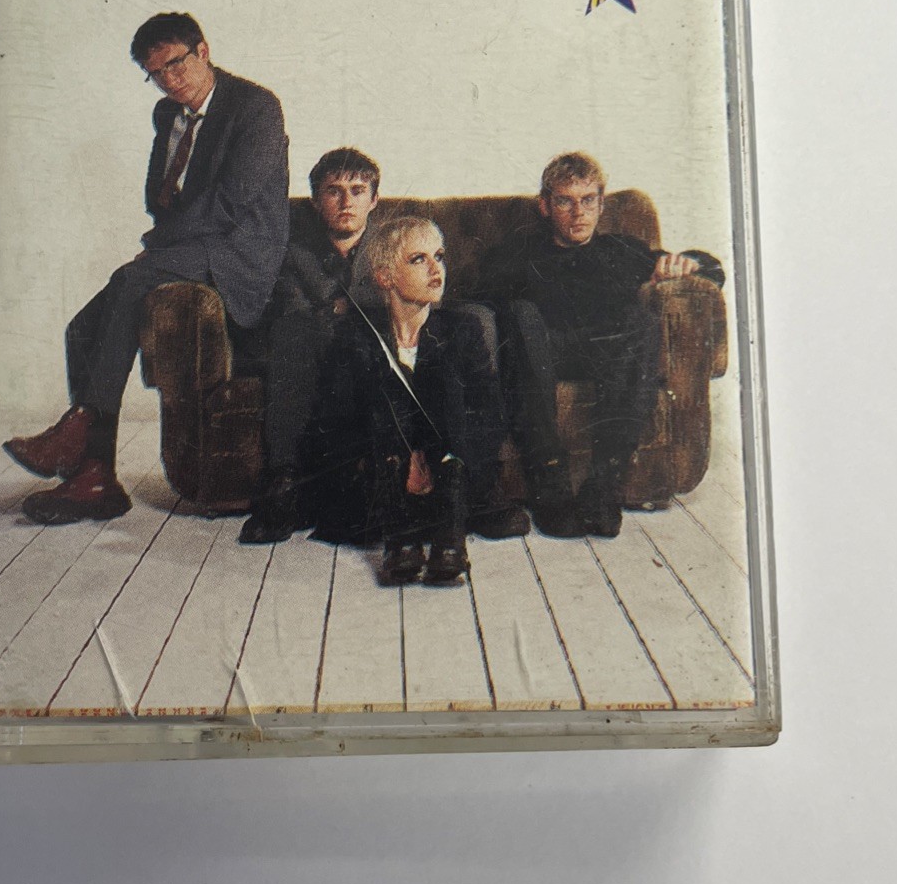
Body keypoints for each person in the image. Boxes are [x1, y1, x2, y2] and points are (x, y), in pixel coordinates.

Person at [3, 12, 289, 525]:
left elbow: (232, 202)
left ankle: (80, 430)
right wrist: (165, 236)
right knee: (82, 327)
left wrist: (158, 246)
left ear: (203, 51)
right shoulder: (168, 114)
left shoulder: (255, 107)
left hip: (239, 252)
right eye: (155, 74)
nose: (169, 81)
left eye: (176, 65)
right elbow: (161, 196)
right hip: (189, 245)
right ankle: (95, 477)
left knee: (131, 277)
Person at [479, 152, 725, 538]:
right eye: (565, 201)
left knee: (640, 322)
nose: (578, 213)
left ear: (601, 204)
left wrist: (686, 262)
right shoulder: (520, 252)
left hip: (606, 357)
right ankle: (550, 487)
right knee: (520, 314)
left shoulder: (621, 250)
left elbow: (713, 270)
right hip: (539, 358)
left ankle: (603, 488)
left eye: (588, 200)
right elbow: (475, 296)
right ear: (545, 206)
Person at [306, 215, 507, 586]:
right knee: (384, 388)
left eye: (439, 256)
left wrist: (436, 457)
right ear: (385, 277)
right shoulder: (357, 334)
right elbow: (335, 423)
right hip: (380, 491)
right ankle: (401, 542)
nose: (436, 268)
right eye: (419, 259)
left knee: (446, 381)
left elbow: (488, 415)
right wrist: (398, 458)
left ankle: (450, 540)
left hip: (451, 484)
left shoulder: (463, 329)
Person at [238, 146, 382, 545]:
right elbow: (292, 310)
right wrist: (348, 309)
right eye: (334, 191)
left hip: (367, 350)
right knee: (293, 331)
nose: (346, 202)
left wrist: (339, 308)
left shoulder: (390, 246)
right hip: (310, 348)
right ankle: (283, 483)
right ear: (317, 201)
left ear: (374, 200)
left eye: (357, 190)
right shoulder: (293, 253)